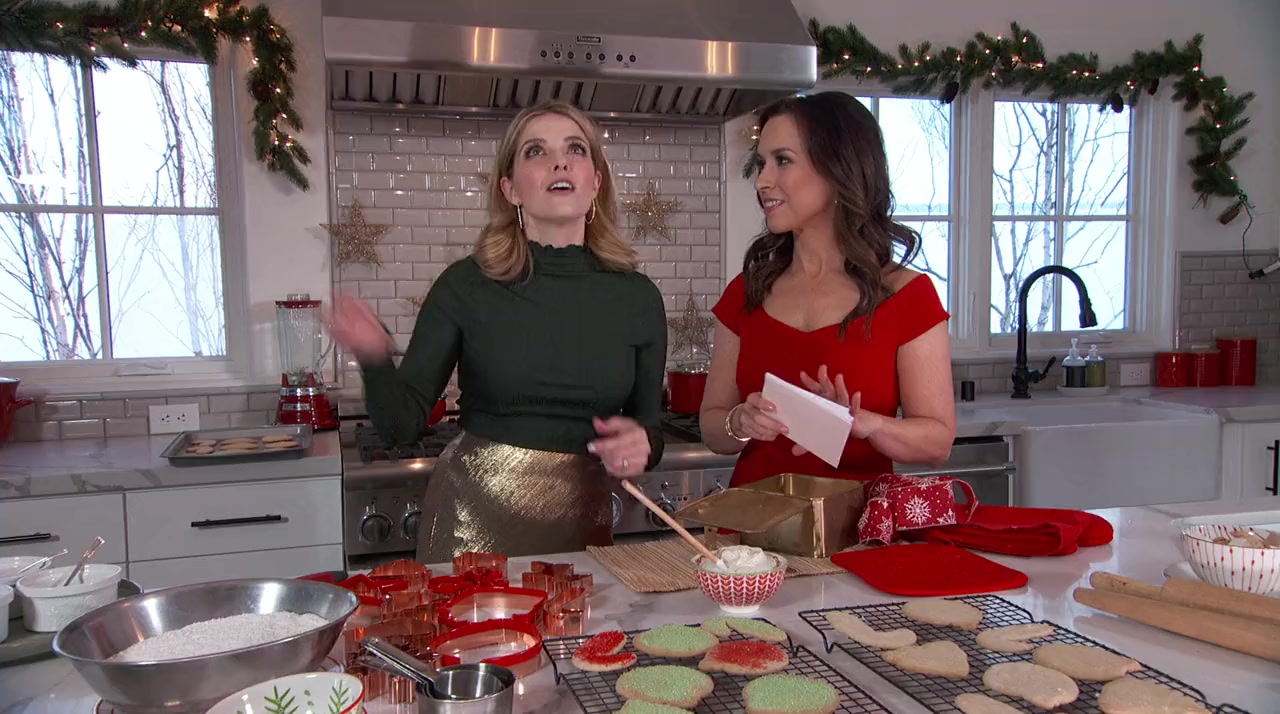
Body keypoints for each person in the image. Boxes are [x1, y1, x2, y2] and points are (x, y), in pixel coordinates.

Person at [329, 101, 667, 562]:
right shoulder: (465, 285)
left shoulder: (639, 298)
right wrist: (373, 356)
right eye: (536, 151)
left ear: (595, 181)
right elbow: (398, 426)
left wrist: (643, 445)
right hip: (471, 529)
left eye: (575, 149)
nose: (560, 162)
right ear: (510, 189)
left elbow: (651, 427)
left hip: (584, 534)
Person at [700, 91, 956, 486]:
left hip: (859, 521)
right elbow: (712, 425)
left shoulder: (907, 296)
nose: (763, 181)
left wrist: (866, 424)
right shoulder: (746, 292)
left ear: (837, 170)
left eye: (783, 160)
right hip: (752, 521)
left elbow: (937, 442)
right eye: (762, 163)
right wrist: (739, 421)